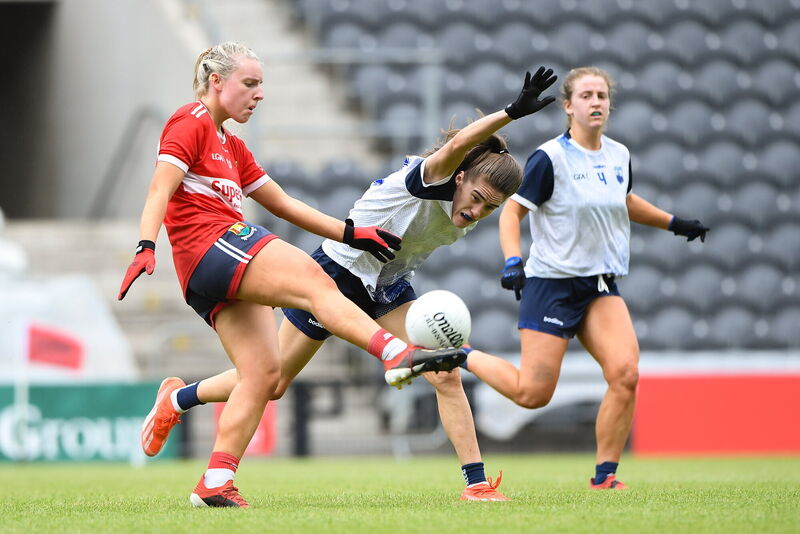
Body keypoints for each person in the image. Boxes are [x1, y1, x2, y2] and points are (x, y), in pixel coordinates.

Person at [142, 66, 559, 501]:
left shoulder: (468, 208)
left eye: (490, 209)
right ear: (458, 178)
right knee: (272, 381)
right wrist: (510, 112)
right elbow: (456, 145)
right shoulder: (429, 179)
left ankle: (476, 485)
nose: (477, 212)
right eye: (476, 199)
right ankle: (180, 398)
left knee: (445, 372)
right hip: (338, 273)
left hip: (388, 286)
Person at [120, 42, 467, 509]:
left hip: (214, 267)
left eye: (261, 84)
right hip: (214, 246)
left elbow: (282, 203)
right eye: (250, 83)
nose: (259, 94)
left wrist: (350, 232)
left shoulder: (234, 146)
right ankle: (396, 353)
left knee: (265, 376)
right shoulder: (190, 122)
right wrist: (145, 244)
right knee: (315, 284)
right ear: (216, 82)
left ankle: (213, 480)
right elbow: (159, 187)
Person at [461, 66, 710, 490]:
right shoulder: (549, 158)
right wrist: (513, 260)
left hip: (598, 285)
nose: (596, 102)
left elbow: (623, 200)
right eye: (587, 95)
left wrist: (673, 222)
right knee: (532, 395)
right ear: (568, 106)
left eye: (602, 95)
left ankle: (605, 476)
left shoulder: (619, 155)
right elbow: (514, 211)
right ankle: (461, 354)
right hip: (550, 285)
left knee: (626, 373)